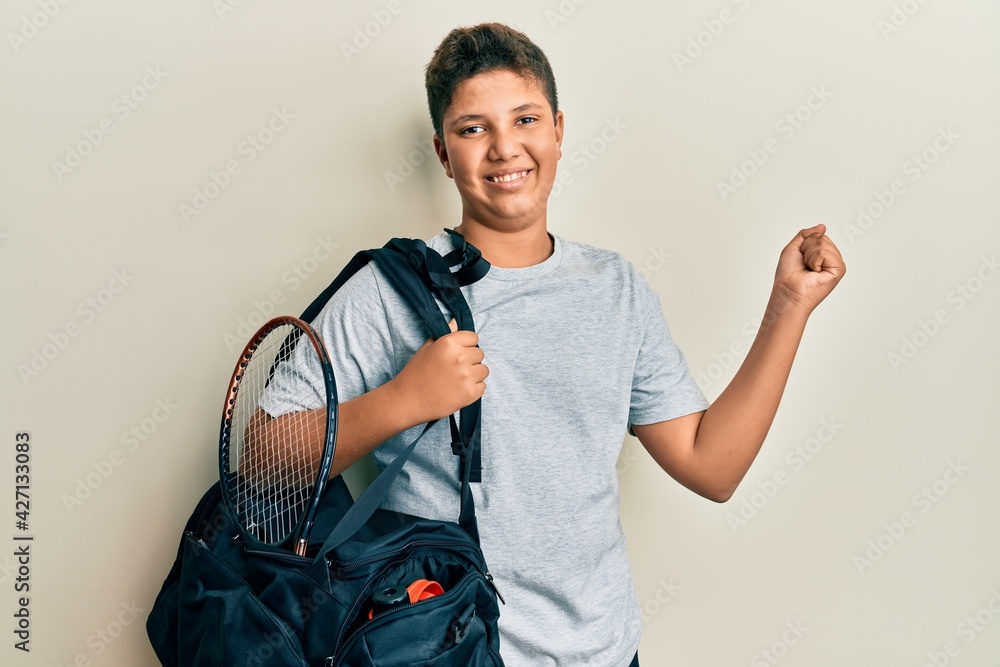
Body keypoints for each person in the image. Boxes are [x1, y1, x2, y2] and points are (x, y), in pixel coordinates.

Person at [261, 22, 845, 667]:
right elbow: (258, 466)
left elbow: (712, 466)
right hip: (445, 649)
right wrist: (403, 400)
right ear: (442, 152)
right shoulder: (392, 289)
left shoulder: (614, 288)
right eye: (472, 128)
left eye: (526, 119)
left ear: (559, 132)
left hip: (604, 649)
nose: (504, 148)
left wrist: (789, 306)